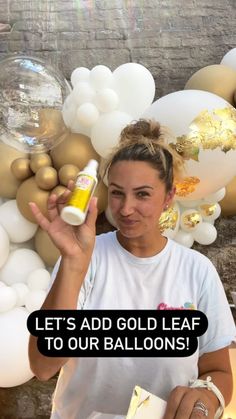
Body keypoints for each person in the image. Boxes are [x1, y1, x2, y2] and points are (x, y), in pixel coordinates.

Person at [29, 119, 236, 419]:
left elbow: (218, 371)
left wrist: (204, 401)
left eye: (142, 194)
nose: (125, 209)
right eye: (116, 193)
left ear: (168, 197)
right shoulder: (85, 259)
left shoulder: (197, 270)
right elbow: (43, 366)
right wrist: (74, 263)